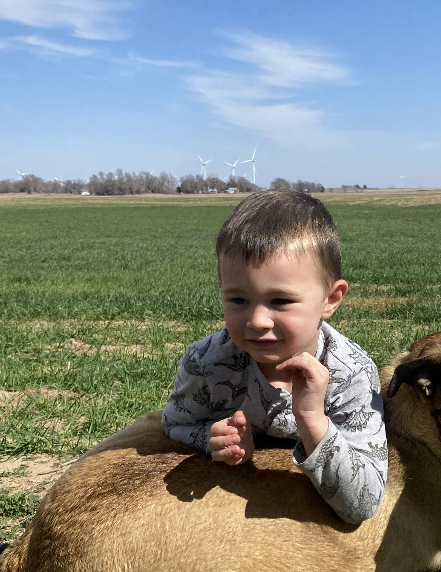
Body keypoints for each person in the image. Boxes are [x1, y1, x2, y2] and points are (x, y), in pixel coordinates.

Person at [162, 190, 387, 524]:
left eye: (280, 301)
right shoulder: (205, 362)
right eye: (238, 300)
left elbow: (362, 504)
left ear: (330, 299)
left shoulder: (352, 374)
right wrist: (211, 437)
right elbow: (175, 423)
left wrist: (312, 421)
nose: (257, 321)